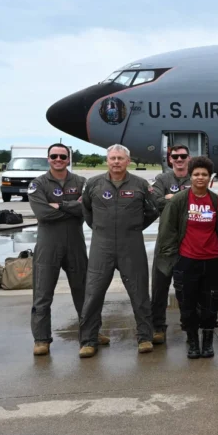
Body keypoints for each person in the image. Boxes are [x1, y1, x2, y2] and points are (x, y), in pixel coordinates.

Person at [78, 145, 159, 357]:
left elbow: (152, 210)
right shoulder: (93, 184)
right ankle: (88, 340)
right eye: (112, 158)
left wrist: (134, 227)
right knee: (93, 293)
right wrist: (99, 227)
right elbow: (86, 209)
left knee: (139, 292)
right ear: (107, 160)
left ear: (128, 161)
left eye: (120, 158)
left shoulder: (140, 184)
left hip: (131, 244)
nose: (116, 162)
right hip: (101, 244)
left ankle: (144, 338)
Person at [29, 143, 101, 355]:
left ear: (69, 159)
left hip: (75, 244)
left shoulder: (81, 182)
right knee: (42, 294)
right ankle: (41, 339)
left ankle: (91, 333)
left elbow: (87, 209)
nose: (58, 159)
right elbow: (43, 214)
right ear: (48, 158)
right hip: (47, 245)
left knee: (84, 292)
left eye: (63, 156)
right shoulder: (38, 184)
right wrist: (73, 207)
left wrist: (59, 205)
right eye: (54, 156)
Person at [154, 157, 218, 359]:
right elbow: (167, 231)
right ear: (190, 177)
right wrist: (173, 259)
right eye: (196, 174)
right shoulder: (179, 201)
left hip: (213, 261)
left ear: (209, 177)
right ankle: (192, 341)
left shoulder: (216, 201)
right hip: (186, 260)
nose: (200, 178)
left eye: (204, 174)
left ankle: (208, 341)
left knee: (211, 303)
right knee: (187, 303)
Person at [149, 144, 192, 344]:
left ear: (189, 158)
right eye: (175, 156)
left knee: (188, 288)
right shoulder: (162, 179)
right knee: (159, 287)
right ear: (170, 159)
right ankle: (158, 327)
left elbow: (199, 202)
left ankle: (189, 326)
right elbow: (156, 201)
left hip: (189, 240)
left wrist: (170, 198)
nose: (179, 159)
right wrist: (181, 200)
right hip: (166, 241)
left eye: (183, 156)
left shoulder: (195, 178)